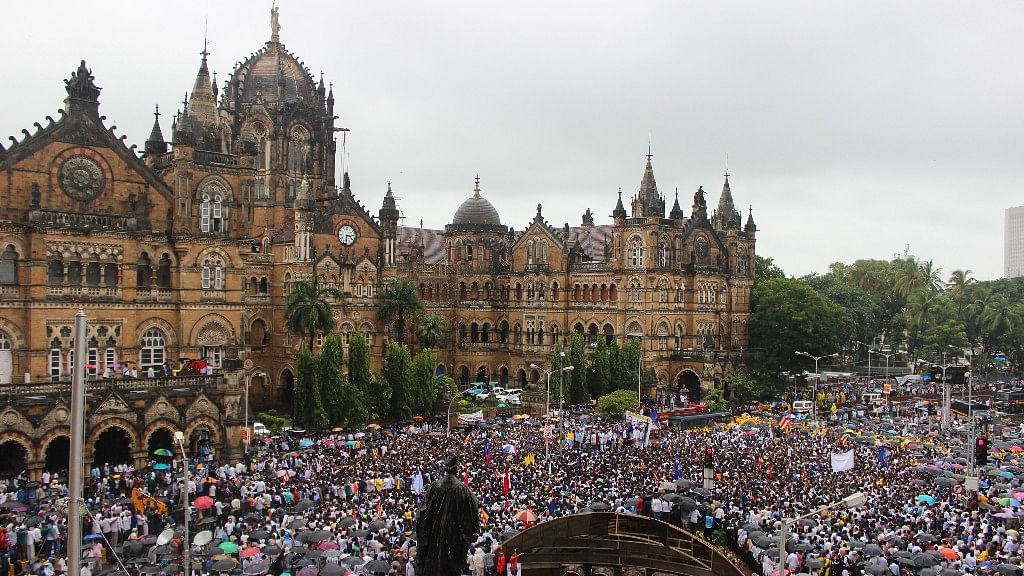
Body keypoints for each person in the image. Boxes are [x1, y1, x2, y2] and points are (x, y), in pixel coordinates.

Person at [414, 454, 479, 576]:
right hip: (454, 539)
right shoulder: (463, 490)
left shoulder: (435, 487)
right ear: (456, 469)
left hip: (434, 538)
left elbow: (422, 514)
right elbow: (473, 515)